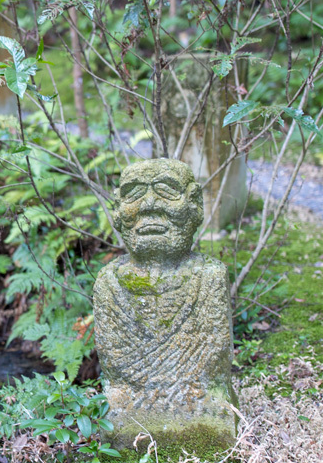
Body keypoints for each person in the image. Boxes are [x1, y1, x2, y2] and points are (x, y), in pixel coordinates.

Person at [92, 158, 237, 444]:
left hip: (198, 397)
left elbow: (212, 357)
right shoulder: (109, 282)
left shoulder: (209, 278)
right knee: (120, 407)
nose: (149, 205)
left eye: (165, 191)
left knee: (208, 407)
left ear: (194, 204)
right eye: (134, 194)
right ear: (119, 210)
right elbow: (117, 366)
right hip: (130, 402)